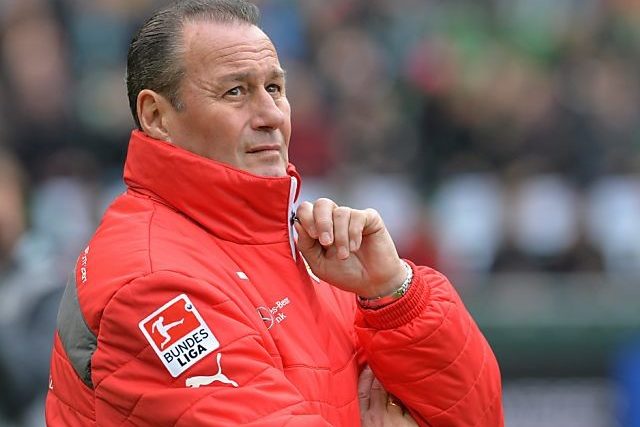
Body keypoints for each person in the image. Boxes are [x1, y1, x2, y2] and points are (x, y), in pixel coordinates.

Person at [45, 1, 504, 425]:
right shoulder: (149, 281)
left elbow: (478, 417)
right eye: (235, 92)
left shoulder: (317, 252)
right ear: (156, 116)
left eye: (275, 88)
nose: (271, 115)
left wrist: (394, 294)